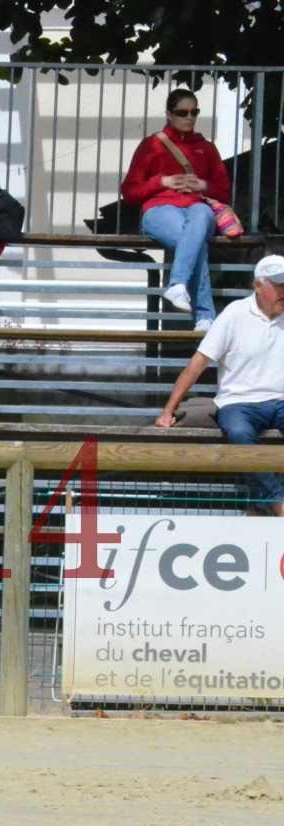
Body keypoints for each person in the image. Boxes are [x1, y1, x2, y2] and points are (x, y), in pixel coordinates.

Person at [155, 256, 284, 515]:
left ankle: (266, 502)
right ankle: (277, 501)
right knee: (239, 433)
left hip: (280, 400)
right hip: (239, 401)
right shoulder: (235, 314)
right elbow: (198, 363)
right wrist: (168, 410)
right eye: (279, 285)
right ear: (259, 286)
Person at [122, 88, 232, 330]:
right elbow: (129, 192)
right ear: (169, 114)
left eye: (195, 112)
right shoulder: (151, 145)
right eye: (183, 112)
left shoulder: (207, 148)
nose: (189, 117)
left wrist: (203, 185)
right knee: (194, 242)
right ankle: (205, 315)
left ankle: (178, 285)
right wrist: (162, 182)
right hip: (160, 209)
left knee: (201, 216)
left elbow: (224, 192)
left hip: (197, 208)